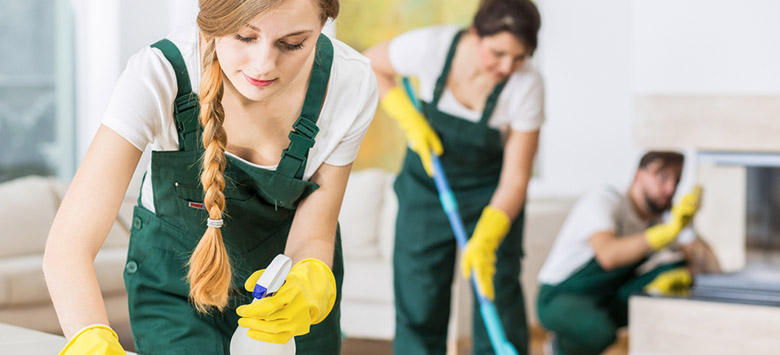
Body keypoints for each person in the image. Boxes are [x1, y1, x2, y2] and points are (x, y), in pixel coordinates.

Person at [43, 0, 378, 354]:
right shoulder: (160, 74)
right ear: (212, 20)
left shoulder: (349, 84)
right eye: (243, 36)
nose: (263, 65)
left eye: (293, 43)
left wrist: (309, 281)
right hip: (176, 292)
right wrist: (89, 339)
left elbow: (315, 232)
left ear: (323, 24)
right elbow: (69, 245)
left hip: (286, 299)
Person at [364, 0, 544, 353]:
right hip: (425, 189)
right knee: (420, 298)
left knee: (498, 292)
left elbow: (515, 180)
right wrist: (404, 113)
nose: (507, 66)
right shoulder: (432, 48)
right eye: (498, 53)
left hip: (491, 197)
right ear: (476, 34)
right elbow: (369, 62)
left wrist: (491, 232)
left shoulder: (527, 86)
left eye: (519, 57)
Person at [536, 151, 721, 355]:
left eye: (676, 181)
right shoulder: (605, 201)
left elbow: (710, 268)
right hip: (560, 294)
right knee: (599, 332)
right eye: (663, 177)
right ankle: (559, 349)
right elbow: (608, 256)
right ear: (638, 176)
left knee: (676, 268)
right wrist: (666, 233)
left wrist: (689, 227)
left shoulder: (662, 217)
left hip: (607, 293)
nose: (670, 189)